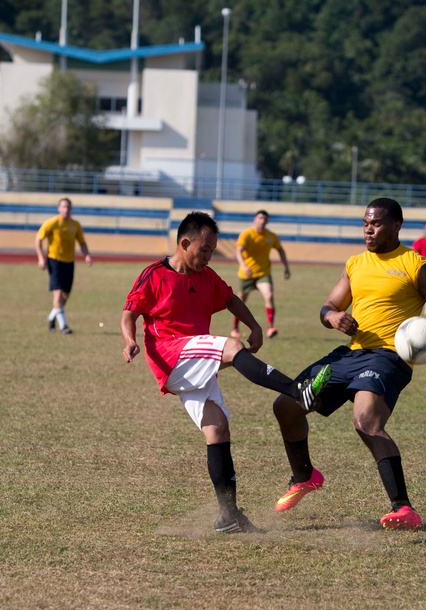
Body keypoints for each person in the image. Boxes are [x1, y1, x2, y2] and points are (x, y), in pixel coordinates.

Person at [271, 198, 426, 531]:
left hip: (389, 357)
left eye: (375, 223)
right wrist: (333, 316)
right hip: (350, 354)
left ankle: (403, 508)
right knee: (286, 405)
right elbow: (329, 305)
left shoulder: (417, 265)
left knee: (365, 421)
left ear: (396, 226)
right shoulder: (355, 263)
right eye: (365, 223)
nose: (368, 229)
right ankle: (305, 476)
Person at [121, 211, 330, 534]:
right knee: (231, 347)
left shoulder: (206, 277)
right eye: (203, 250)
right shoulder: (154, 275)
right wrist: (128, 341)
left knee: (217, 428)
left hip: (193, 360)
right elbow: (129, 313)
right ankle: (296, 389)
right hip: (170, 353)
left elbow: (231, 299)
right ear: (184, 242)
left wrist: (255, 325)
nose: (208, 256)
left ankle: (228, 517)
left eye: (212, 251)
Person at [231, 209, 291, 339]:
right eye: (260, 218)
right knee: (240, 302)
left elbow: (280, 250)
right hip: (246, 273)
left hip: (263, 273)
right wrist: (244, 265)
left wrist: (286, 266)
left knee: (269, 296)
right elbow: (238, 251)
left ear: (267, 221)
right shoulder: (247, 234)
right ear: (255, 219)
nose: (262, 221)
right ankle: (235, 328)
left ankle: (270, 327)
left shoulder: (271, 236)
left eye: (264, 219)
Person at [35, 197, 92, 334]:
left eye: (68, 207)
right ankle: (64, 326)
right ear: (59, 208)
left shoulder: (75, 225)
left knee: (65, 295)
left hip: (69, 262)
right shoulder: (51, 223)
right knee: (58, 293)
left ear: (71, 209)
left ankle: (51, 317)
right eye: (63, 207)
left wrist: (87, 255)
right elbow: (38, 239)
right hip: (54, 261)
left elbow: (82, 242)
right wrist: (40, 258)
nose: (66, 209)